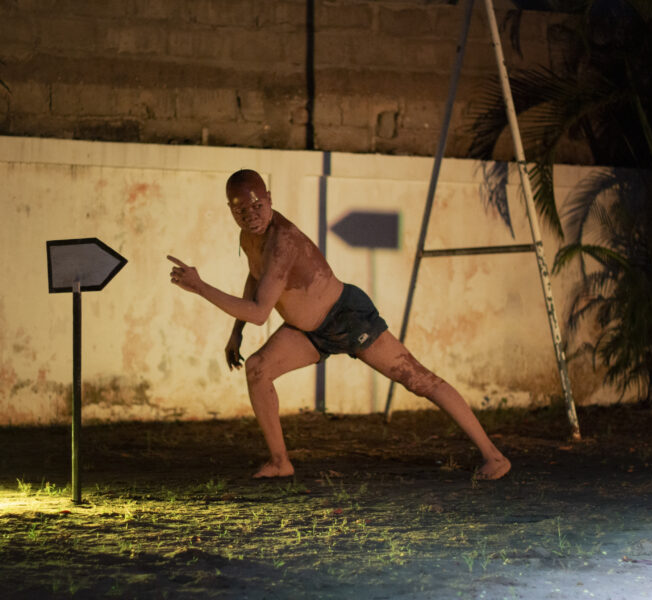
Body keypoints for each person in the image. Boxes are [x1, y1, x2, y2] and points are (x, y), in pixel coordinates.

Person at [168, 169, 511, 480]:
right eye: (241, 210)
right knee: (257, 369)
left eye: (257, 206)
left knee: (419, 381)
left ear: (269, 199)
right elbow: (255, 276)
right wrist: (235, 333)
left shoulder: (282, 241)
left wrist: (200, 287)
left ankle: (493, 457)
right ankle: (280, 462)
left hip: (346, 318)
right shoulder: (249, 237)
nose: (251, 215)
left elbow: (259, 312)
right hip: (309, 332)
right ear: (231, 211)